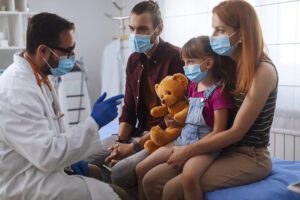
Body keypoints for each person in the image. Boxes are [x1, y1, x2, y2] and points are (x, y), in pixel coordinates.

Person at [142, 1, 278, 200]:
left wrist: (188, 150)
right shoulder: (231, 64)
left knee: (173, 189)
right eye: (213, 28)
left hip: (249, 155)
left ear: (242, 33)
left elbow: (236, 132)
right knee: (150, 180)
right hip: (219, 148)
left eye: (220, 29)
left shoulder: (262, 71)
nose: (213, 35)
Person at [0, 12, 127, 200]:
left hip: (41, 166)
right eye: (67, 52)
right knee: (120, 195)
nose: (71, 58)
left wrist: (72, 159)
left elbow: (51, 135)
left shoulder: (38, 76)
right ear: (43, 51)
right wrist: (93, 122)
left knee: (97, 174)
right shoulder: (17, 90)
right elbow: (46, 154)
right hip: (27, 182)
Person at [87, 0, 184, 189]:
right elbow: (129, 108)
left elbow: (177, 116)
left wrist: (133, 147)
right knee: (86, 159)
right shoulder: (133, 60)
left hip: (163, 136)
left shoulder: (176, 58)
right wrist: (120, 143)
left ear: (159, 28)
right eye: (132, 28)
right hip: (138, 132)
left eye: (142, 29)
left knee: (120, 172)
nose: (135, 35)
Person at [136, 36, 235, 200]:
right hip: (182, 140)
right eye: (184, 62)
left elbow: (218, 131)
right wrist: (174, 121)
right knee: (141, 169)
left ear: (208, 63)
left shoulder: (219, 94)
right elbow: (187, 114)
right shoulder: (193, 87)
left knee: (187, 179)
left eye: (189, 62)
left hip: (204, 148)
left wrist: (189, 151)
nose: (185, 67)